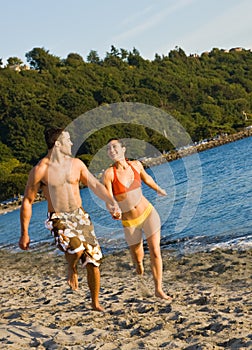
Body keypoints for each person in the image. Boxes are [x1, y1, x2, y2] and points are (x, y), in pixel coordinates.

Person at [19, 128, 120, 312]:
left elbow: (95, 184)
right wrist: (24, 233)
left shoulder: (76, 164)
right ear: (57, 144)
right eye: (68, 140)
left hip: (79, 216)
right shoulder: (40, 170)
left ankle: (95, 303)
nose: (72, 143)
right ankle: (71, 267)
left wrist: (112, 202)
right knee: (76, 246)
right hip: (58, 217)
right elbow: (27, 200)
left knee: (94, 260)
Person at [103, 138, 171, 300]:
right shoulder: (109, 174)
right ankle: (140, 274)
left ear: (123, 149)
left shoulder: (136, 165)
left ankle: (158, 289)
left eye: (115, 147)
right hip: (129, 221)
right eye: (109, 149)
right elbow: (108, 198)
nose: (112, 150)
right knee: (138, 258)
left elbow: (147, 179)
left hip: (148, 213)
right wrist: (114, 209)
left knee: (155, 251)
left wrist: (159, 189)